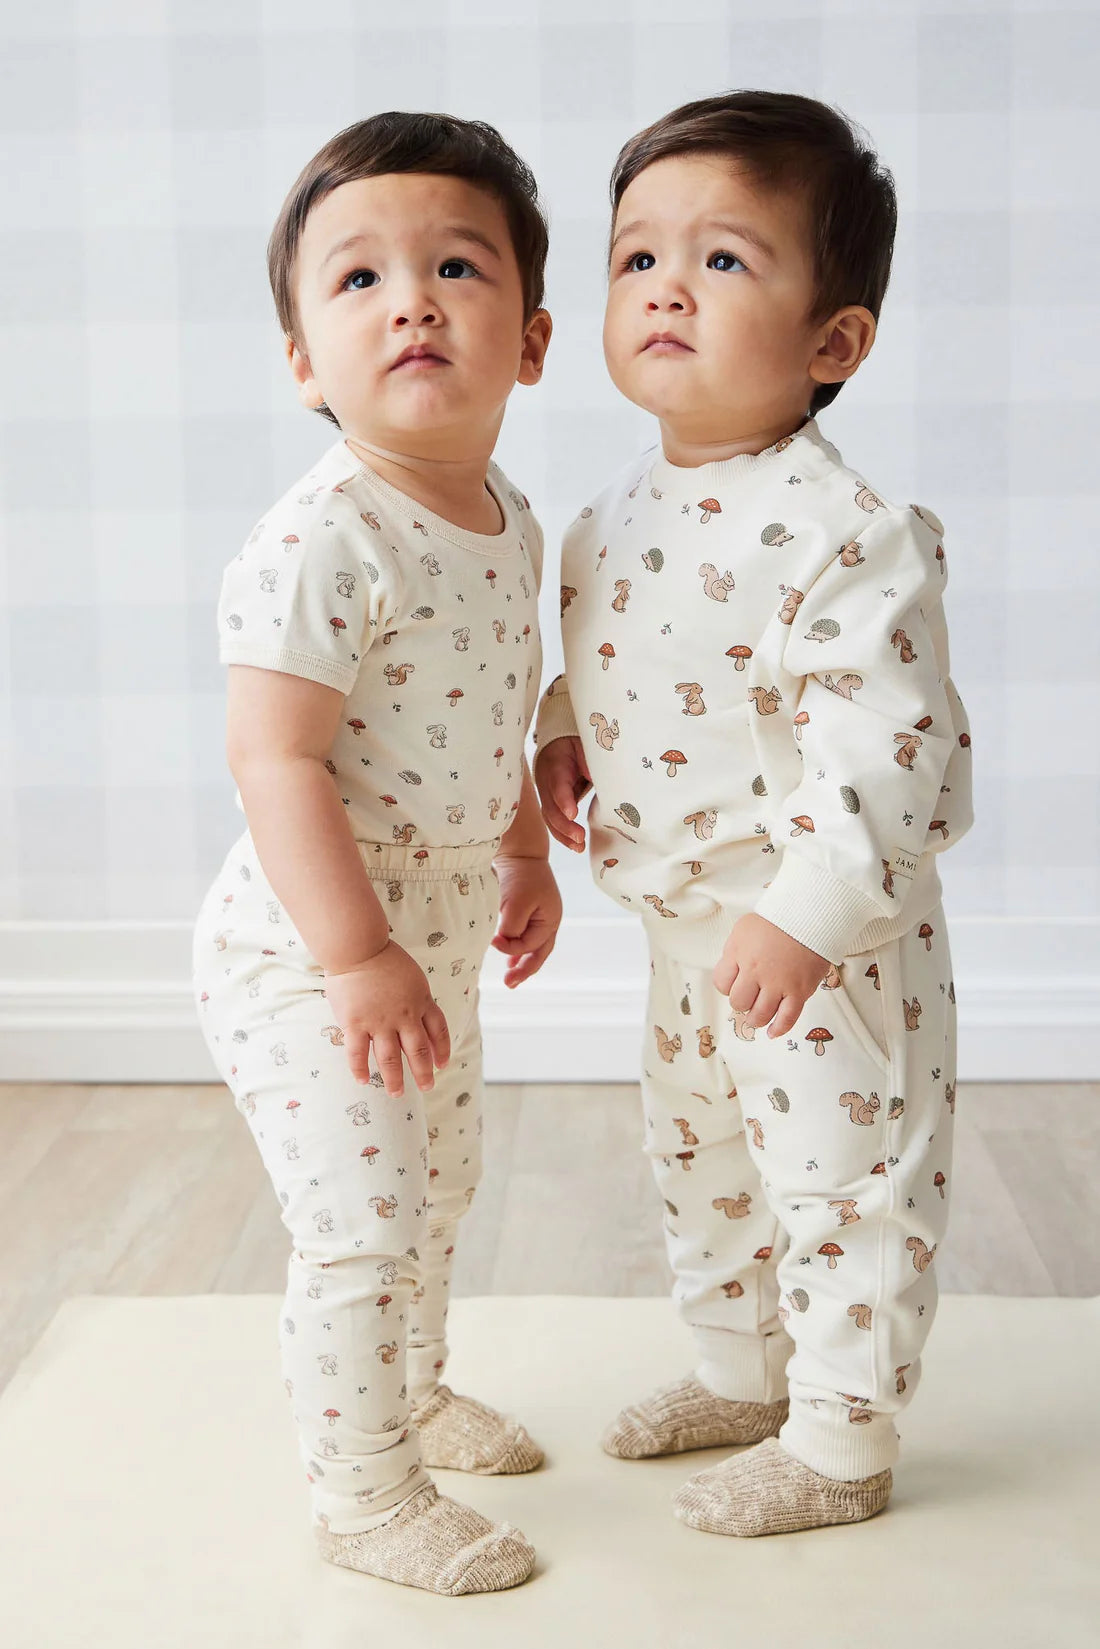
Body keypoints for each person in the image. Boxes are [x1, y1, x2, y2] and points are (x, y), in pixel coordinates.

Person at [534, 90, 973, 1538]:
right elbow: (612, 650)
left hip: (820, 944)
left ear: (833, 342)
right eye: (637, 256)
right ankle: (740, 1370)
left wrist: (810, 914)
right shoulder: (611, 513)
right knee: (701, 1158)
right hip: (680, 930)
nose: (667, 285)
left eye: (723, 258)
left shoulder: (848, 533)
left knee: (841, 1179)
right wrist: (562, 731)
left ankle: (843, 1440)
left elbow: (891, 747)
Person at [192, 111, 560, 1594]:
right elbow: (273, 757)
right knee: (365, 1215)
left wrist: (523, 850)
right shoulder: (321, 541)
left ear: (532, 340)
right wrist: (354, 955)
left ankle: (411, 1390)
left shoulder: (509, 519)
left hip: (436, 930)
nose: (411, 301)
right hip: (312, 948)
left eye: (456, 267)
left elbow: (493, 705)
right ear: (304, 363)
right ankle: (364, 1496)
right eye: (359, 279)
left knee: (441, 1182)